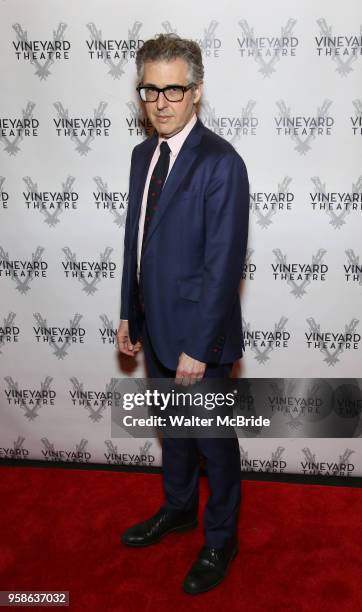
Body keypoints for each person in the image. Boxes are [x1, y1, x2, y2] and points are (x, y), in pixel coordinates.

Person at [117, 33, 249, 595]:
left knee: (214, 446)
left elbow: (223, 266)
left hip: (201, 340)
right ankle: (178, 509)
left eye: (174, 88)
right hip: (155, 323)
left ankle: (221, 536)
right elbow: (136, 240)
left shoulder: (222, 162)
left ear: (197, 92)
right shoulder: (141, 154)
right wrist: (129, 310)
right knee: (173, 434)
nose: (161, 101)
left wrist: (200, 346)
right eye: (151, 89)